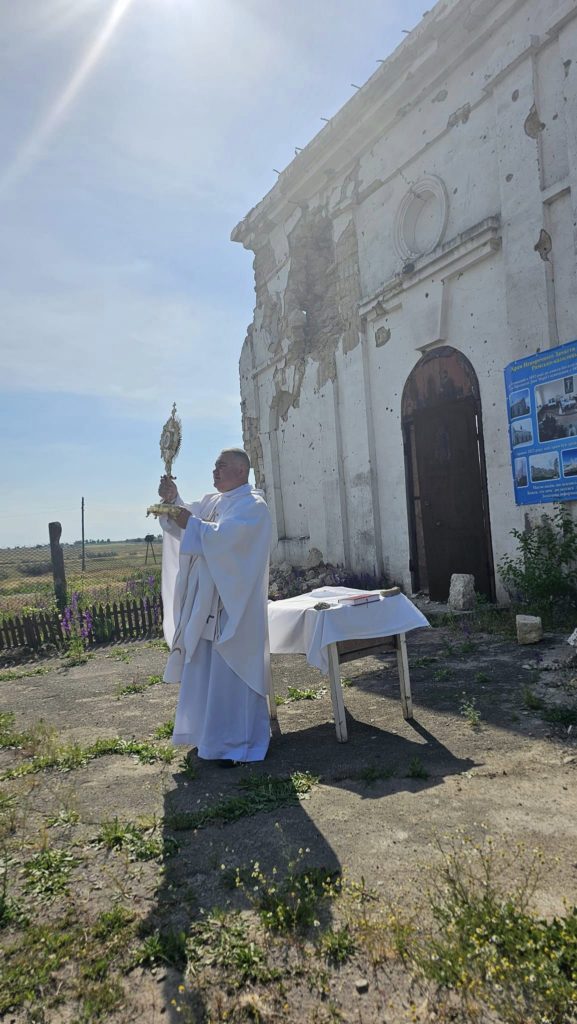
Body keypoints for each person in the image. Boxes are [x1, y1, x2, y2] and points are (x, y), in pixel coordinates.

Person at [158, 449, 272, 766]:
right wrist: (172, 498)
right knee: (208, 675)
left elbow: (230, 542)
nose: (215, 470)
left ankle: (239, 743)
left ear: (240, 470)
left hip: (234, 608)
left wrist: (192, 525)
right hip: (207, 606)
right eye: (214, 466)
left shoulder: (253, 506)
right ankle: (210, 738)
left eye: (221, 466)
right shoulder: (215, 502)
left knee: (232, 676)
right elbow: (185, 517)